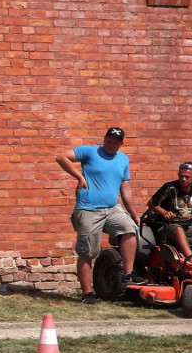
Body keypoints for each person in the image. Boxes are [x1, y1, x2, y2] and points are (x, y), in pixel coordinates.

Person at [55, 127, 143, 305]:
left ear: (121, 144)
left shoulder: (123, 159)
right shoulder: (90, 152)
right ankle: (87, 293)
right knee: (88, 252)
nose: (111, 144)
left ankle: (128, 274)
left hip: (112, 208)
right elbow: (61, 157)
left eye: (115, 142)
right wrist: (79, 177)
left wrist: (134, 213)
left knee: (129, 230)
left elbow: (125, 188)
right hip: (88, 208)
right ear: (104, 139)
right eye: (109, 140)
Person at [147, 162, 192, 260]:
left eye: (187, 177)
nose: (183, 179)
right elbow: (151, 203)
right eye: (181, 176)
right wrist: (164, 212)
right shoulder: (169, 187)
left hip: (189, 226)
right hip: (168, 226)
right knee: (178, 229)